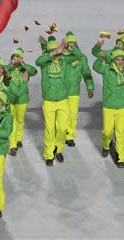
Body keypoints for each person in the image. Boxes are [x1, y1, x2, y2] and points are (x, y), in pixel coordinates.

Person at [35, 36, 81, 166]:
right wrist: (52, 53)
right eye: (53, 51)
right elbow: (37, 61)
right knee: (50, 129)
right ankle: (49, 155)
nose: (56, 53)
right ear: (49, 51)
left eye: (57, 50)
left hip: (62, 100)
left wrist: (67, 47)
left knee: (61, 129)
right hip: (49, 101)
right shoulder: (44, 62)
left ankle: (58, 149)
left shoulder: (65, 61)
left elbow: (78, 56)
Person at [64, 32, 95, 147]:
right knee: (61, 115)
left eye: (73, 45)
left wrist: (90, 88)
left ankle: (70, 136)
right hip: (60, 92)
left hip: (74, 91)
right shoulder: (61, 57)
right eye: (69, 45)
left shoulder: (82, 58)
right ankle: (60, 134)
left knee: (72, 115)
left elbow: (86, 73)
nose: (71, 47)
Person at [5, 48, 37, 156]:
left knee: (20, 120)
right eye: (14, 57)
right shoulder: (8, 69)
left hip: (22, 99)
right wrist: (10, 65)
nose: (16, 59)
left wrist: (23, 64)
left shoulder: (25, 69)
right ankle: (12, 145)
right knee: (12, 121)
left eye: (18, 57)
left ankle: (19, 138)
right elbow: (0, 72)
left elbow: (34, 71)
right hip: (10, 99)